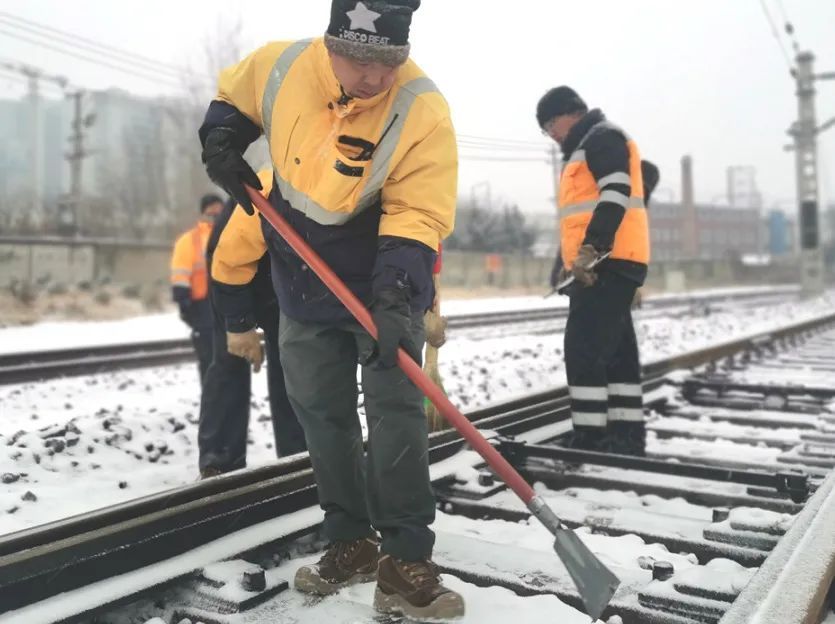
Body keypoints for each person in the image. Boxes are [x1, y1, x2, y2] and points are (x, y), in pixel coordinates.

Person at [199, 1, 463, 619]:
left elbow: (420, 213)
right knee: (324, 420)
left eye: (388, 61)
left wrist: (396, 296)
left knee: (397, 417)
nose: (374, 77)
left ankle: (405, 561)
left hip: (379, 284)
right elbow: (231, 98)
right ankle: (350, 544)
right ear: (330, 43)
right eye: (359, 59)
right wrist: (221, 138)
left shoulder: (421, 109)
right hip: (301, 286)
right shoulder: (284, 65)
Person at [537, 86, 650, 456]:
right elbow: (580, 217)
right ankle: (626, 435)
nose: (551, 134)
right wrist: (564, 263)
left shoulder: (599, 139)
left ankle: (590, 438)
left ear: (572, 113)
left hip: (605, 262)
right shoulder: (591, 146)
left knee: (583, 347)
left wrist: (595, 248)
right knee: (616, 348)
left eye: (551, 124)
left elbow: (616, 190)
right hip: (609, 261)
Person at [198, 180, 307, 479]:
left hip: (292, 283)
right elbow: (226, 261)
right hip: (231, 274)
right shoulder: (270, 188)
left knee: (293, 363)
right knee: (229, 359)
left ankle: (298, 459)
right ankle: (218, 463)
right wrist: (237, 326)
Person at [170, 194, 224, 384]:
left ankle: (226, 408)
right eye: (211, 212)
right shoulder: (189, 241)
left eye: (219, 212)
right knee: (209, 361)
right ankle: (212, 407)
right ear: (203, 213)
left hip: (226, 306)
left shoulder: (230, 234)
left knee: (228, 363)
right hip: (202, 307)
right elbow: (180, 274)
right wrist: (184, 303)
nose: (215, 216)